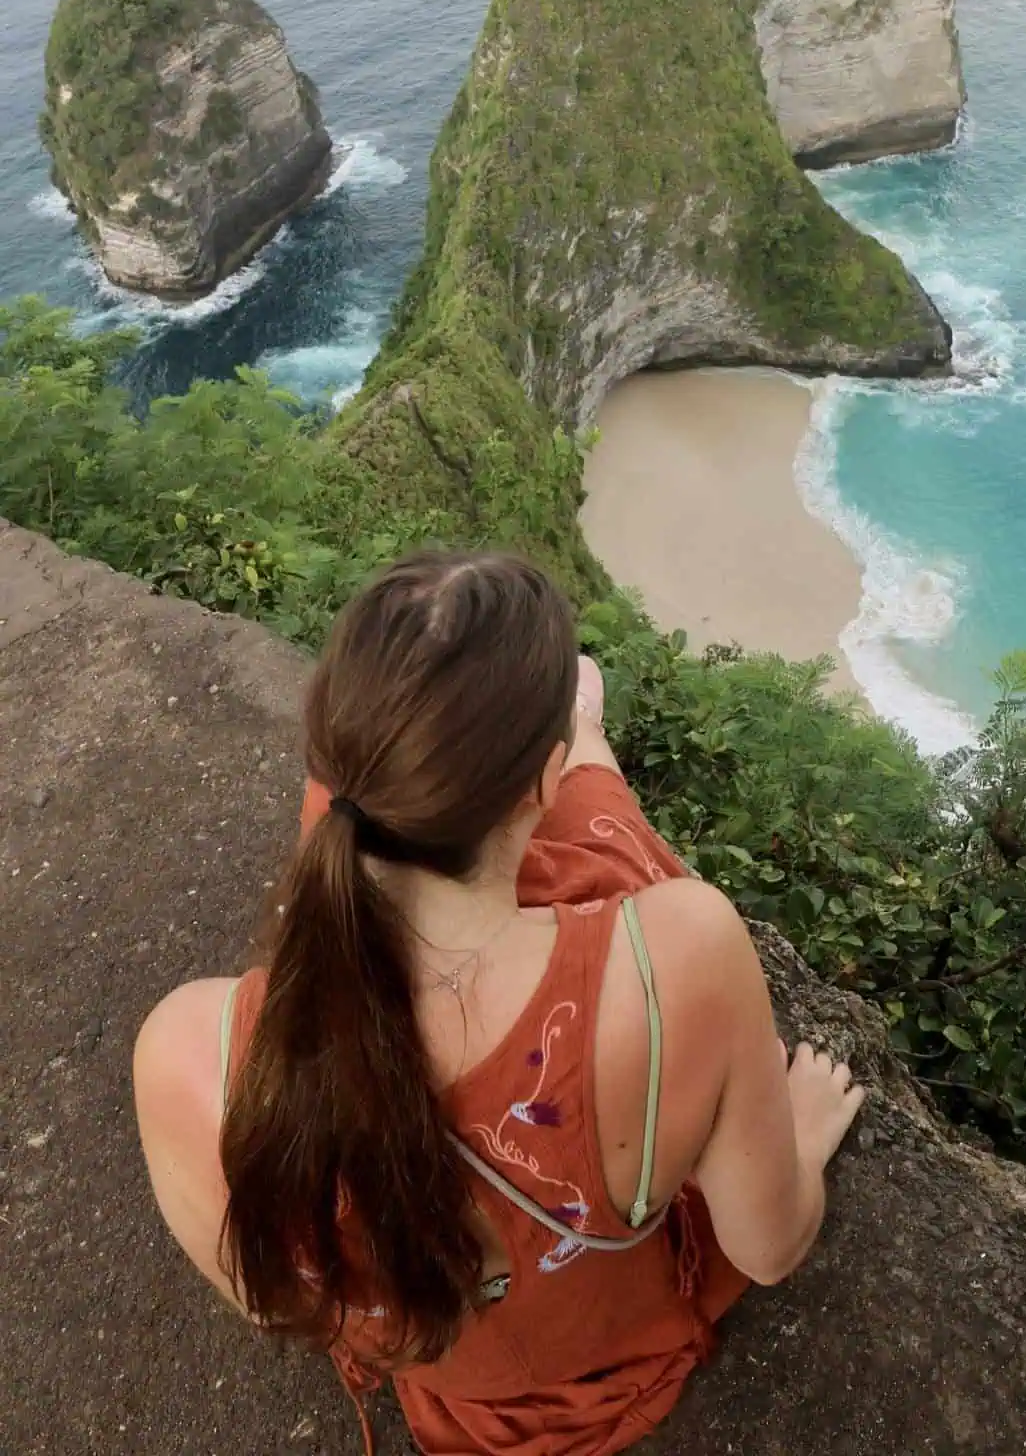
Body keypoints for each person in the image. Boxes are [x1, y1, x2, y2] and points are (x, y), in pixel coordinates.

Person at [132, 550, 866, 1455]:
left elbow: (275, 1300)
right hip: (614, 1348)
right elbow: (767, 1249)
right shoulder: (682, 957)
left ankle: (564, 736)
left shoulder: (185, 1051)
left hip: (440, 1374)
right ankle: (584, 735)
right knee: (609, 857)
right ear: (537, 788)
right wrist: (793, 1139)